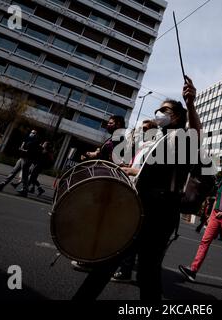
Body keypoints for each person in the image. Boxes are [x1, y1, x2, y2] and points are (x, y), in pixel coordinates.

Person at [72, 75, 201, 301]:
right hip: (139, 207)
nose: (159, 113)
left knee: (146, 274)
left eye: (165, 110)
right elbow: (145, 173)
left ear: (177, 116)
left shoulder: (182, 139)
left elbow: (196, 134)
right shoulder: (158, 140)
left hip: (161, 214)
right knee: (110, 262)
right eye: (158, 110)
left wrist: (190, 104)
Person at [110, 119, 158, 283]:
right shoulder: (143, 147)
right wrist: (127, 166)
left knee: (131, 232)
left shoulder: (153, 148)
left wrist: (130, 170)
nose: (142, 131)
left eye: (145, 129)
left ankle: (125, 270)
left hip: (141, 195)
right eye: (141, 129)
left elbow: (149, 171)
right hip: (132, 190)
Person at [178, 163, 222, 287]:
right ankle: (193, 270)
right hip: (215, 216)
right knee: (204, 241)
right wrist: (210, 215)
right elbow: (217, 200)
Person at [0, 129, 39, 194]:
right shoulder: (27, 139)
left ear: (36, 135)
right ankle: (2, 184)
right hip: (21, 158)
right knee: (13, 172)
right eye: (31, 132)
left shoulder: (35, 142)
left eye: (33, 133)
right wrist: (22, 148)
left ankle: (25, 190)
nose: (32, 133)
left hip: (27, 160)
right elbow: (22, 147)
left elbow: (31, 152)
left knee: (24, 176)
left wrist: (23, 150)